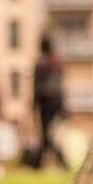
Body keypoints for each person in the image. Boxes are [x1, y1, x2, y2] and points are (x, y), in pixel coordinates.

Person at [32, 35, 68, 170]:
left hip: (45, 101)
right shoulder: (57, 63)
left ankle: (40, 162)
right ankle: (46, 161)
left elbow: (36, 86)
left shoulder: (40, 63)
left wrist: (33, 106)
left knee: (46, 133)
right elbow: (61, 85)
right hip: (57, 100)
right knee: (50, 133)